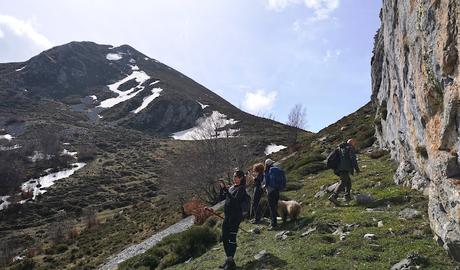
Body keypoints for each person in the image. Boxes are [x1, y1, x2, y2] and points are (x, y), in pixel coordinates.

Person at [217, 170, 246, 270]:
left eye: (236, 177)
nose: (234, 178)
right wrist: (222, 189)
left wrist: (226, 189)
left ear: (241, 178)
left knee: (231, 238)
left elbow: (235, 202)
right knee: (224, 237)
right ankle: (229, 259)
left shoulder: (242, 189)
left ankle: (230, 261)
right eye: (234, 176)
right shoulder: (232, 187)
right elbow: (221, 199)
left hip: (235, 217)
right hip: (227, 216)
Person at [328, 139, 360, 206]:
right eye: (354, 143)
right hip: (344, 168)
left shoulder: (340, 148)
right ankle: (334, 196)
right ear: (351, 143)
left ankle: (347, 197)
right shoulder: (349, 148)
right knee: (343, 182)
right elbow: (353, 158)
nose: (355, 144)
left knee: (348, 182)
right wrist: (357, 169)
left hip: (338, 168)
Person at [263, 158, 283, 230]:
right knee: (275, 206)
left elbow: (266, 182)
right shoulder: (276, 170)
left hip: (271, 192)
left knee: (272, 208)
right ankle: (275, 222)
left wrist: (264, 187)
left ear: (266, 165)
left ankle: (274, 224)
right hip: (277, 190)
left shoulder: (267, 171)